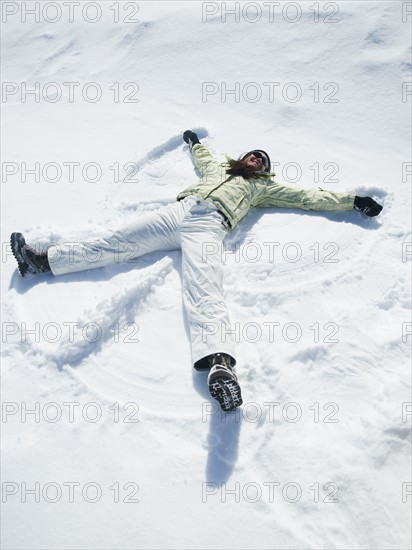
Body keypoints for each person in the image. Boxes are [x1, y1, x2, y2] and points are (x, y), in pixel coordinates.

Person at [10, 130, 383, 412]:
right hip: (178, 212)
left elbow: (307, 197)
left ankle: (220, 366)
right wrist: (192, 143)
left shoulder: (263, 189)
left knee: (205, 287)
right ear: (244, 157)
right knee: (115, 241)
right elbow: (204, 156)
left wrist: (352, 201)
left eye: (262, 162)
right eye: (253, 156)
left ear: (265, 172)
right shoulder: (220, 167)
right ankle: (42, 261)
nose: (256, 161)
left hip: (210, 225)